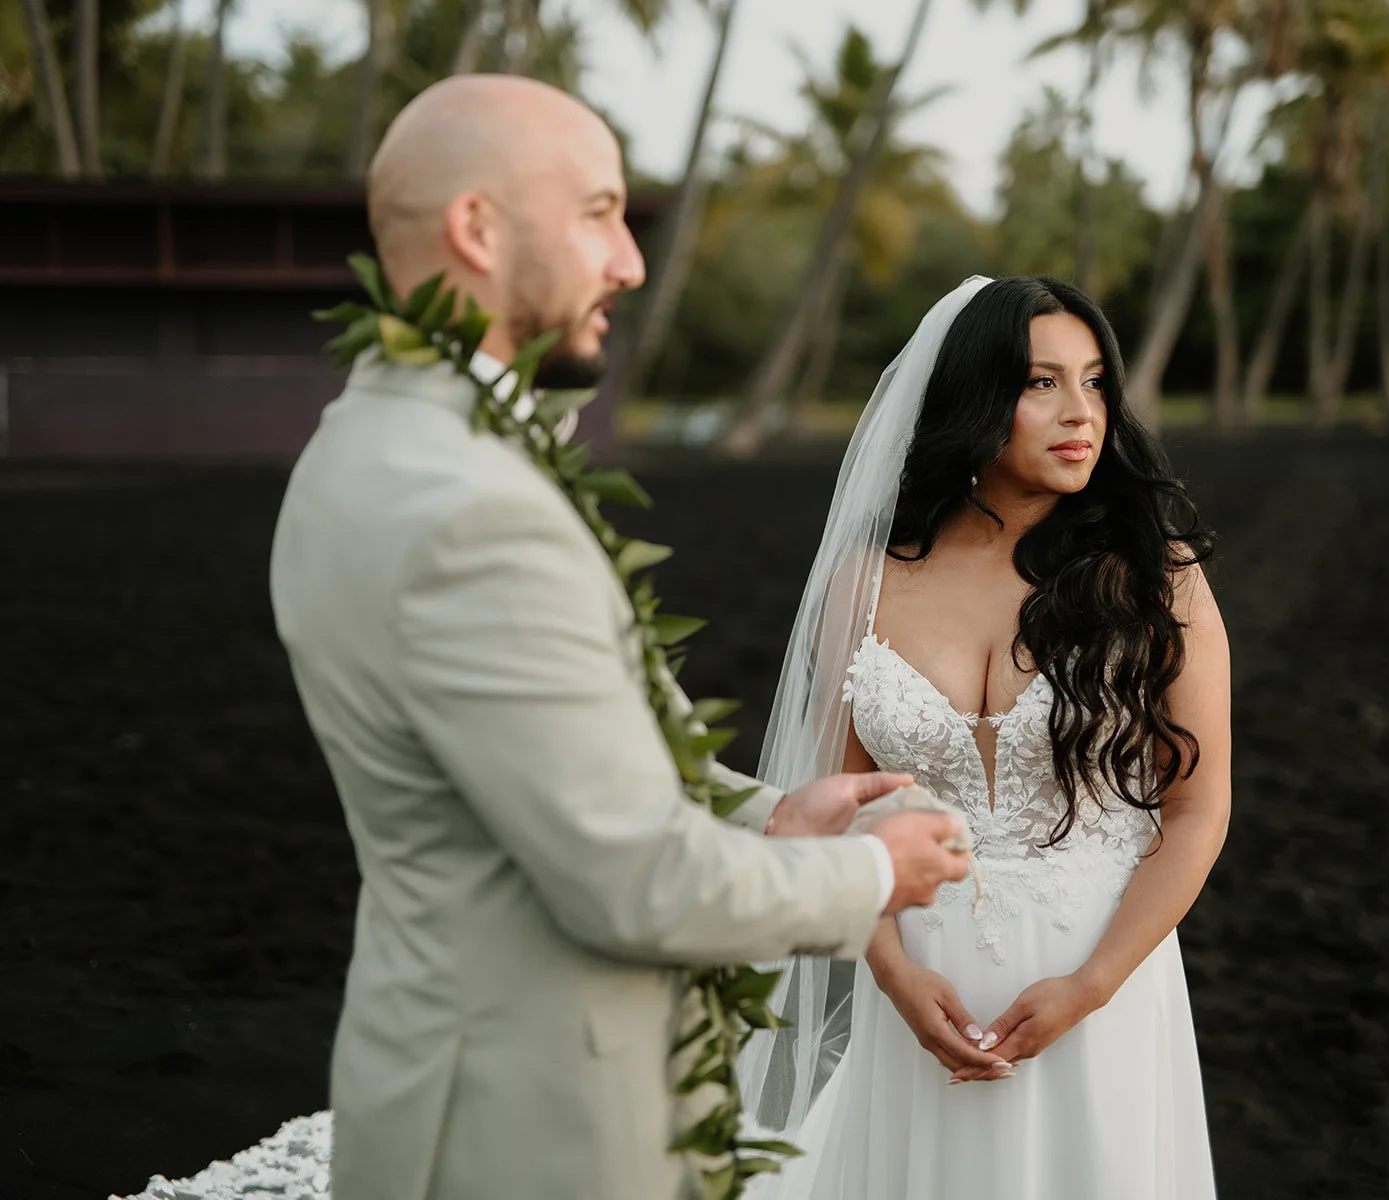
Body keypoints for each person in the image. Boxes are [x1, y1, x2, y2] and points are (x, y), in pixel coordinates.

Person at [116, 77, 973, 1200]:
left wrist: (767, 811)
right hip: (533, 1131)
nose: (629, 261)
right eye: (597, 213)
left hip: (446, 1077)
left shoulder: (365, 447)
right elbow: (635, 887)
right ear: (477, 229)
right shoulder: (473, 508)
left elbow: (546, 768)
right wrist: (864, 871)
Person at [737, 275, 1230, 1199]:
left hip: (1103, 979)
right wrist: (890, 976)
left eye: (1094, 383)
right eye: (1041, 383)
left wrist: (1090, 988)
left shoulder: (1158, 578)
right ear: (973, 399)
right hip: (924, 991)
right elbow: (838, 809)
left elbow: (1198, 808)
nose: (1080, 413)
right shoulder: (867, 579)